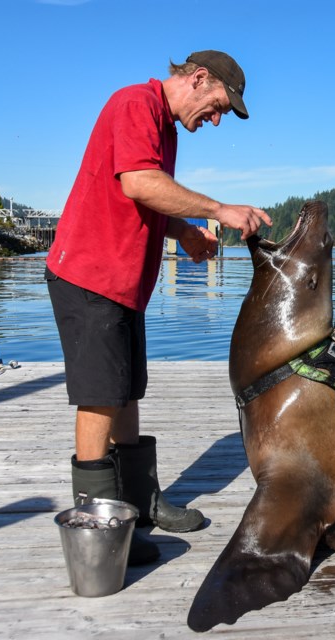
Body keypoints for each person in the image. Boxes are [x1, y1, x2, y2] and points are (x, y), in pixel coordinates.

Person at [46, 50, 271, 565]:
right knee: (101, 396)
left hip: (123, 283)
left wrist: (187, 233)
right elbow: (139, 182)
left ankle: (140, 504)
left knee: (125, 391)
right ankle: (98, 527)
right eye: (217, 105)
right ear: (198, 78)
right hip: (89, 275)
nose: (215, 119)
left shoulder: (163, 125)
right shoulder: (135, 104)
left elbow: (147, 199)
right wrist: (217, 209)